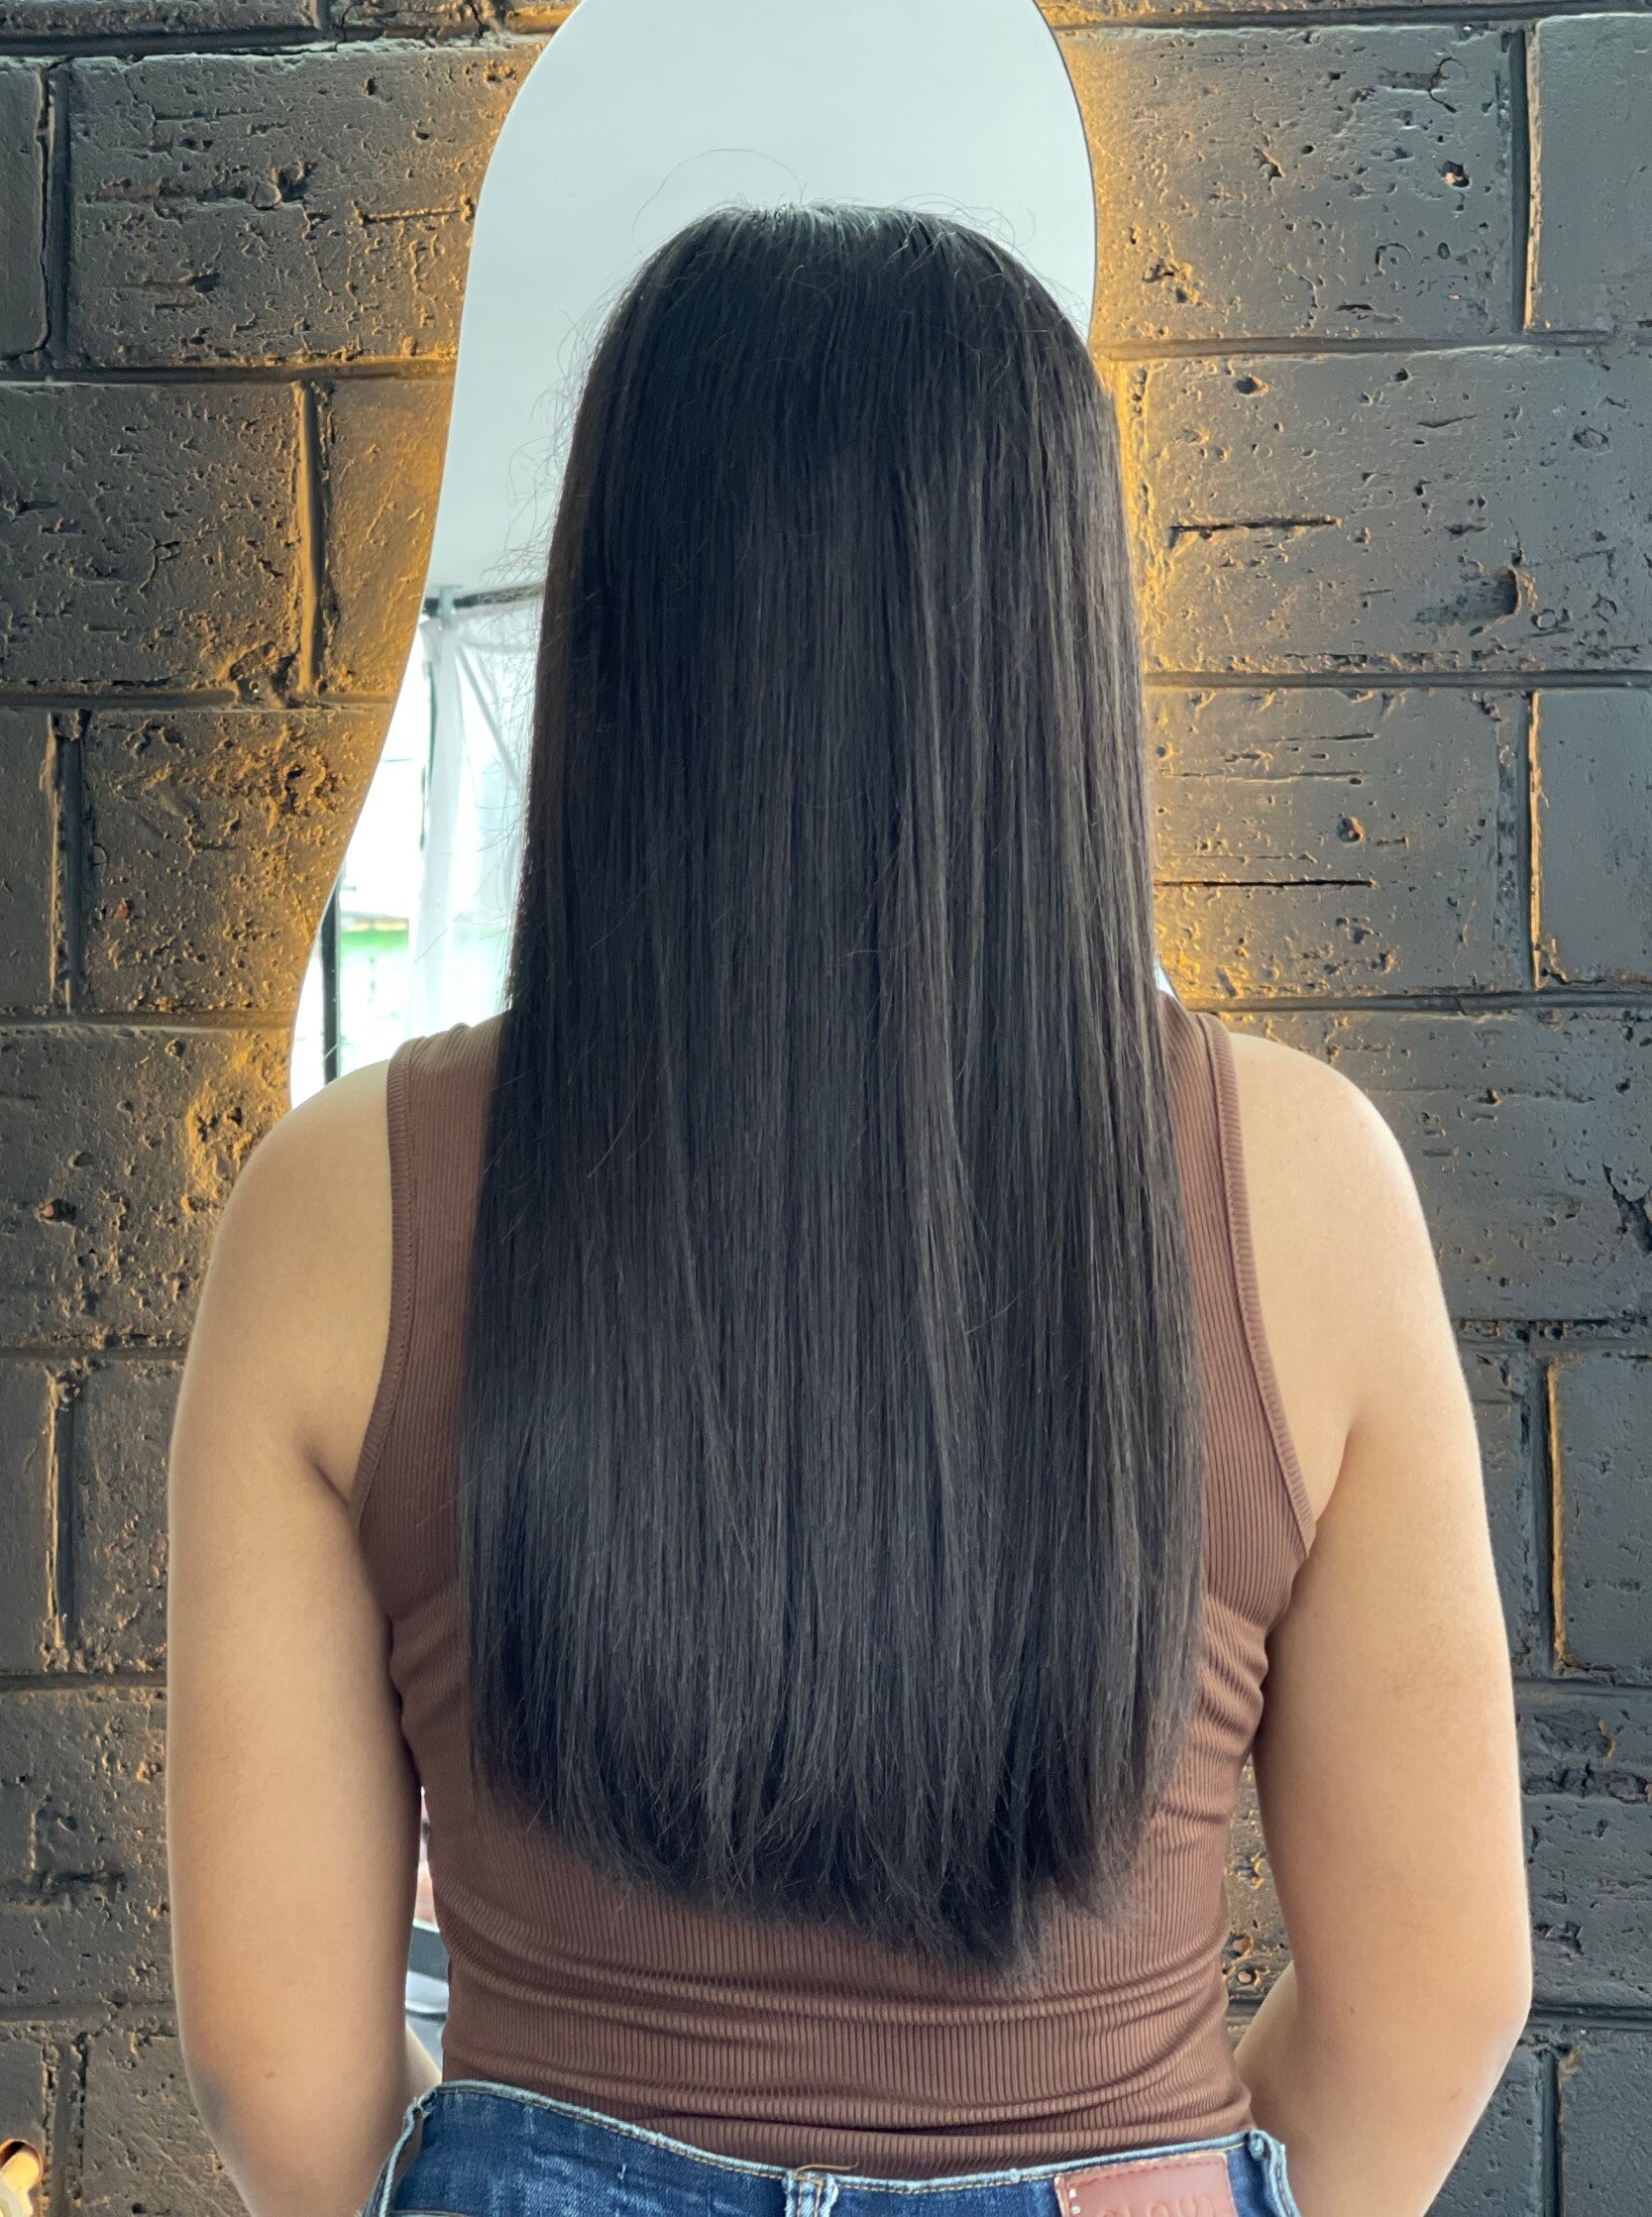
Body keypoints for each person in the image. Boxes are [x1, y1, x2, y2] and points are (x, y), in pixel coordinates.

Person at [165, 205, 1531, 2217]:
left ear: (619, 628)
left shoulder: (333, 1215)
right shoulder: (1309, 1189)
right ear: (1059, 643)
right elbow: (1435, 2001)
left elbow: (275, 2062)